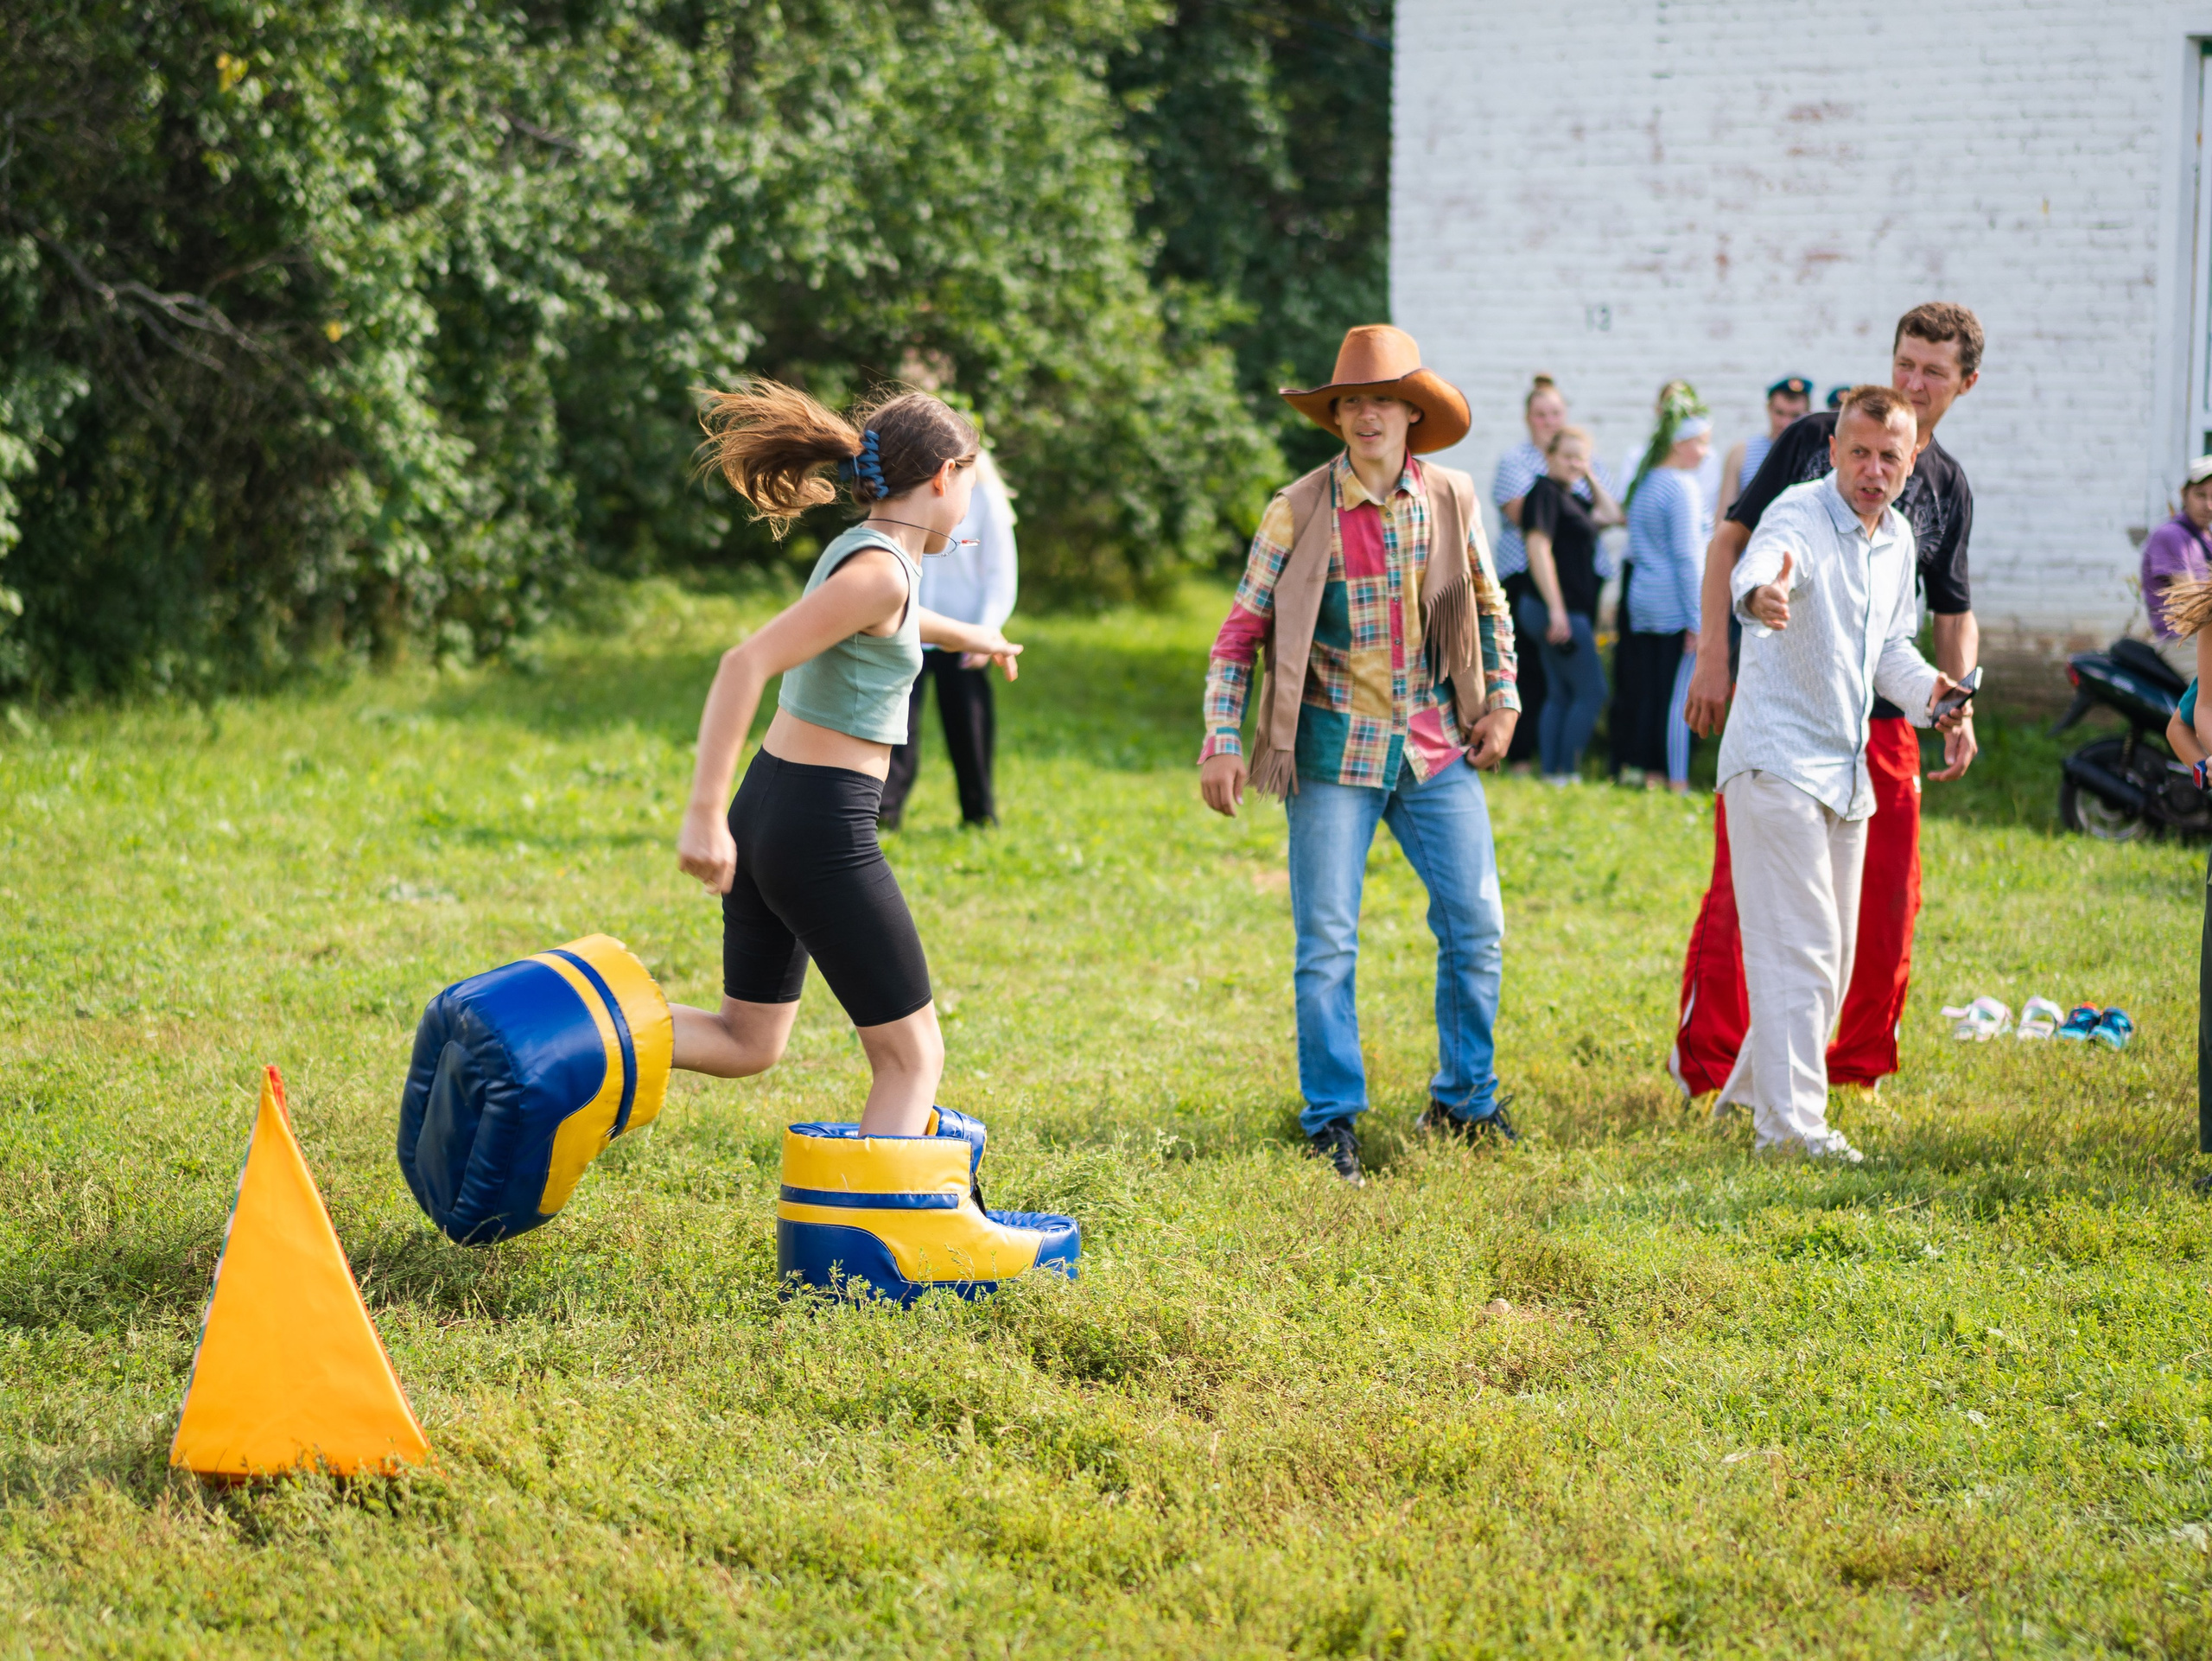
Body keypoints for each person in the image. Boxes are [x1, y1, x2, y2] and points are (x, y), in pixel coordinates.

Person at [1198, 325, 1522, 1186]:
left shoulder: (1450, 496)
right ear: (1336, 417)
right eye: (1351, 402)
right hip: (1330, 751)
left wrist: (1502, 700)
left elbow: (1488, 606)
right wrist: (1222, 741)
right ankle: (1331, 1118)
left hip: (1433, 746)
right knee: (1328, 944)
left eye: (1383, 400)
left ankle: (1465, 1098)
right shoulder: (1297, 508)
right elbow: (1238, 636)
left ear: (1413, 414)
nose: (1366, 414)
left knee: (1476, 923)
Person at [669, 383, 1023, 1136]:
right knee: (913, 1059)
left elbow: (892, 619)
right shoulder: (882, 571)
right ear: (945, 477)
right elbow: (743, 664)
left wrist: (973, 635)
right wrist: (701, 815)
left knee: (747, 1041)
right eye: (971, 480)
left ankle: (577, 1035)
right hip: (819, 830)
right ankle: (874, 1217)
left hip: (773, 808)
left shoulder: (872, 553)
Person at [1674, 302, 1984, 1098]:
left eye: (1934, 372)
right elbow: (1745, 546)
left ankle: (1851, 1068)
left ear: (1966, 384)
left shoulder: (1942, 491)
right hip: (1788, 716)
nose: (1913, 381)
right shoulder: (1817, 438)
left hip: (1877, 723)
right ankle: (1713, 1067)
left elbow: (1943, 617)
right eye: (1904, 362)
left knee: (1876, 910)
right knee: (1753, 900)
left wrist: (1954, 704)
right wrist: (1716, 653)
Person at [1716, 385, 1967, 1161]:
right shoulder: (1798, 511)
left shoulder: (1898, 540)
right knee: (1804, 948)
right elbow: (1763, 564)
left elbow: (1890, 651)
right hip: (1776, 762)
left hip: (1846, 771)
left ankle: (1749, 1097)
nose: (1872, 470)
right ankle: (1791, 1131)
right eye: (1858, 453)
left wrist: (1936, 696)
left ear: (1911, 460)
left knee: (1835, 955)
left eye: (1889, 457)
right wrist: (1761, 594)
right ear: (1833, 451)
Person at [879, 448, 1019, 830]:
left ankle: (979, 813)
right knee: (899, 724)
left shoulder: (986, 499)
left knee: (968, 725)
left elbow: (1001, 576)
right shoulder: (913, 493)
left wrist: (985, 631)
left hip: (965, 633)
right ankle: (885, 812)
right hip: (910, 627)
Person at [1611, 386, 1709, 791]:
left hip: (1644, 598)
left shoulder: (1646, 481)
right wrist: (1698, 619)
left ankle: (1649, 771)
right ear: (1680, 443)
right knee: (1677, 695)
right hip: (1673, 604)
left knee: (1649, 689)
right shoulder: (1681, 486)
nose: (1705, 452)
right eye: (1701, 442)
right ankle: (1676, 778)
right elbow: (1687, 557)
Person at [1517, 425, 1622, 782]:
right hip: (1555, 609)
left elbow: (1612, 515)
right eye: (1567, 456)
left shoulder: (1571, 497)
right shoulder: (1544, 492)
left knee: (1561, 693)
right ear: (1549, 456)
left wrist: (1588, 474)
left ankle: (1553, 773)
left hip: (1558, 609)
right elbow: (1538, 549)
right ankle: (1568, 772)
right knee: (1593, 691)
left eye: (1581, 457)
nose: (1574, 463)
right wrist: (1557, 609)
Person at [1492, 376, 1567, 767]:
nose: (1549, 421)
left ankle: (1553, 752)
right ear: (1528, 418)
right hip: (1523, 574)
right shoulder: (1515, 461)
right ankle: (1519, 753)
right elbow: (1527, 516)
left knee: (1559, 670)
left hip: (1566, 577)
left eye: (1555, 413)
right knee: (1525, 666)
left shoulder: (1578, 455)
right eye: (1541, 414)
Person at [2141, 456, 2212, 682]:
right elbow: (2194, 605)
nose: (2209, 505)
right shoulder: (2171, 536)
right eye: (2200, 495)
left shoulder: (2205, 538)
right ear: (2184, 494)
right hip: (2181, 640)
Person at [1719, 376, 1814, 520]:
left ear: (1808, 414)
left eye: (1795, 415)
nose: (1785, 423)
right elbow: (1723, 515)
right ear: (1768, 409)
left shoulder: (1815, 456)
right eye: (1779, 413)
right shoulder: (1741, 453)